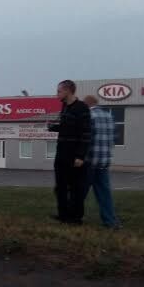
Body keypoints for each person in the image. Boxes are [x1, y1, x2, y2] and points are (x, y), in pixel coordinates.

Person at [47, 80, 91, 224]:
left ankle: (76, 218)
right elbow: (66, 127)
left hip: (74, 156)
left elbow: (86, 133)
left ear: (67, 91)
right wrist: (53, 127)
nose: (57, 94)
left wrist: (80, 156)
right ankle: (63, 215)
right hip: (61, 153)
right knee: (60, 187)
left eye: (59, 91)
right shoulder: (64, 107)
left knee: (75, 188)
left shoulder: (82, 108)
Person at [83, 95, 120, 229]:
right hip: (104, 161)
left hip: (89, 162)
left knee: (80, 192)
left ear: (86, 104)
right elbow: (114, 138)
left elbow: (86, 139)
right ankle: (110, 221)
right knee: (105, 194)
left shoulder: (89, 116)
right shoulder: (109, 117)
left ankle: (74, 217)